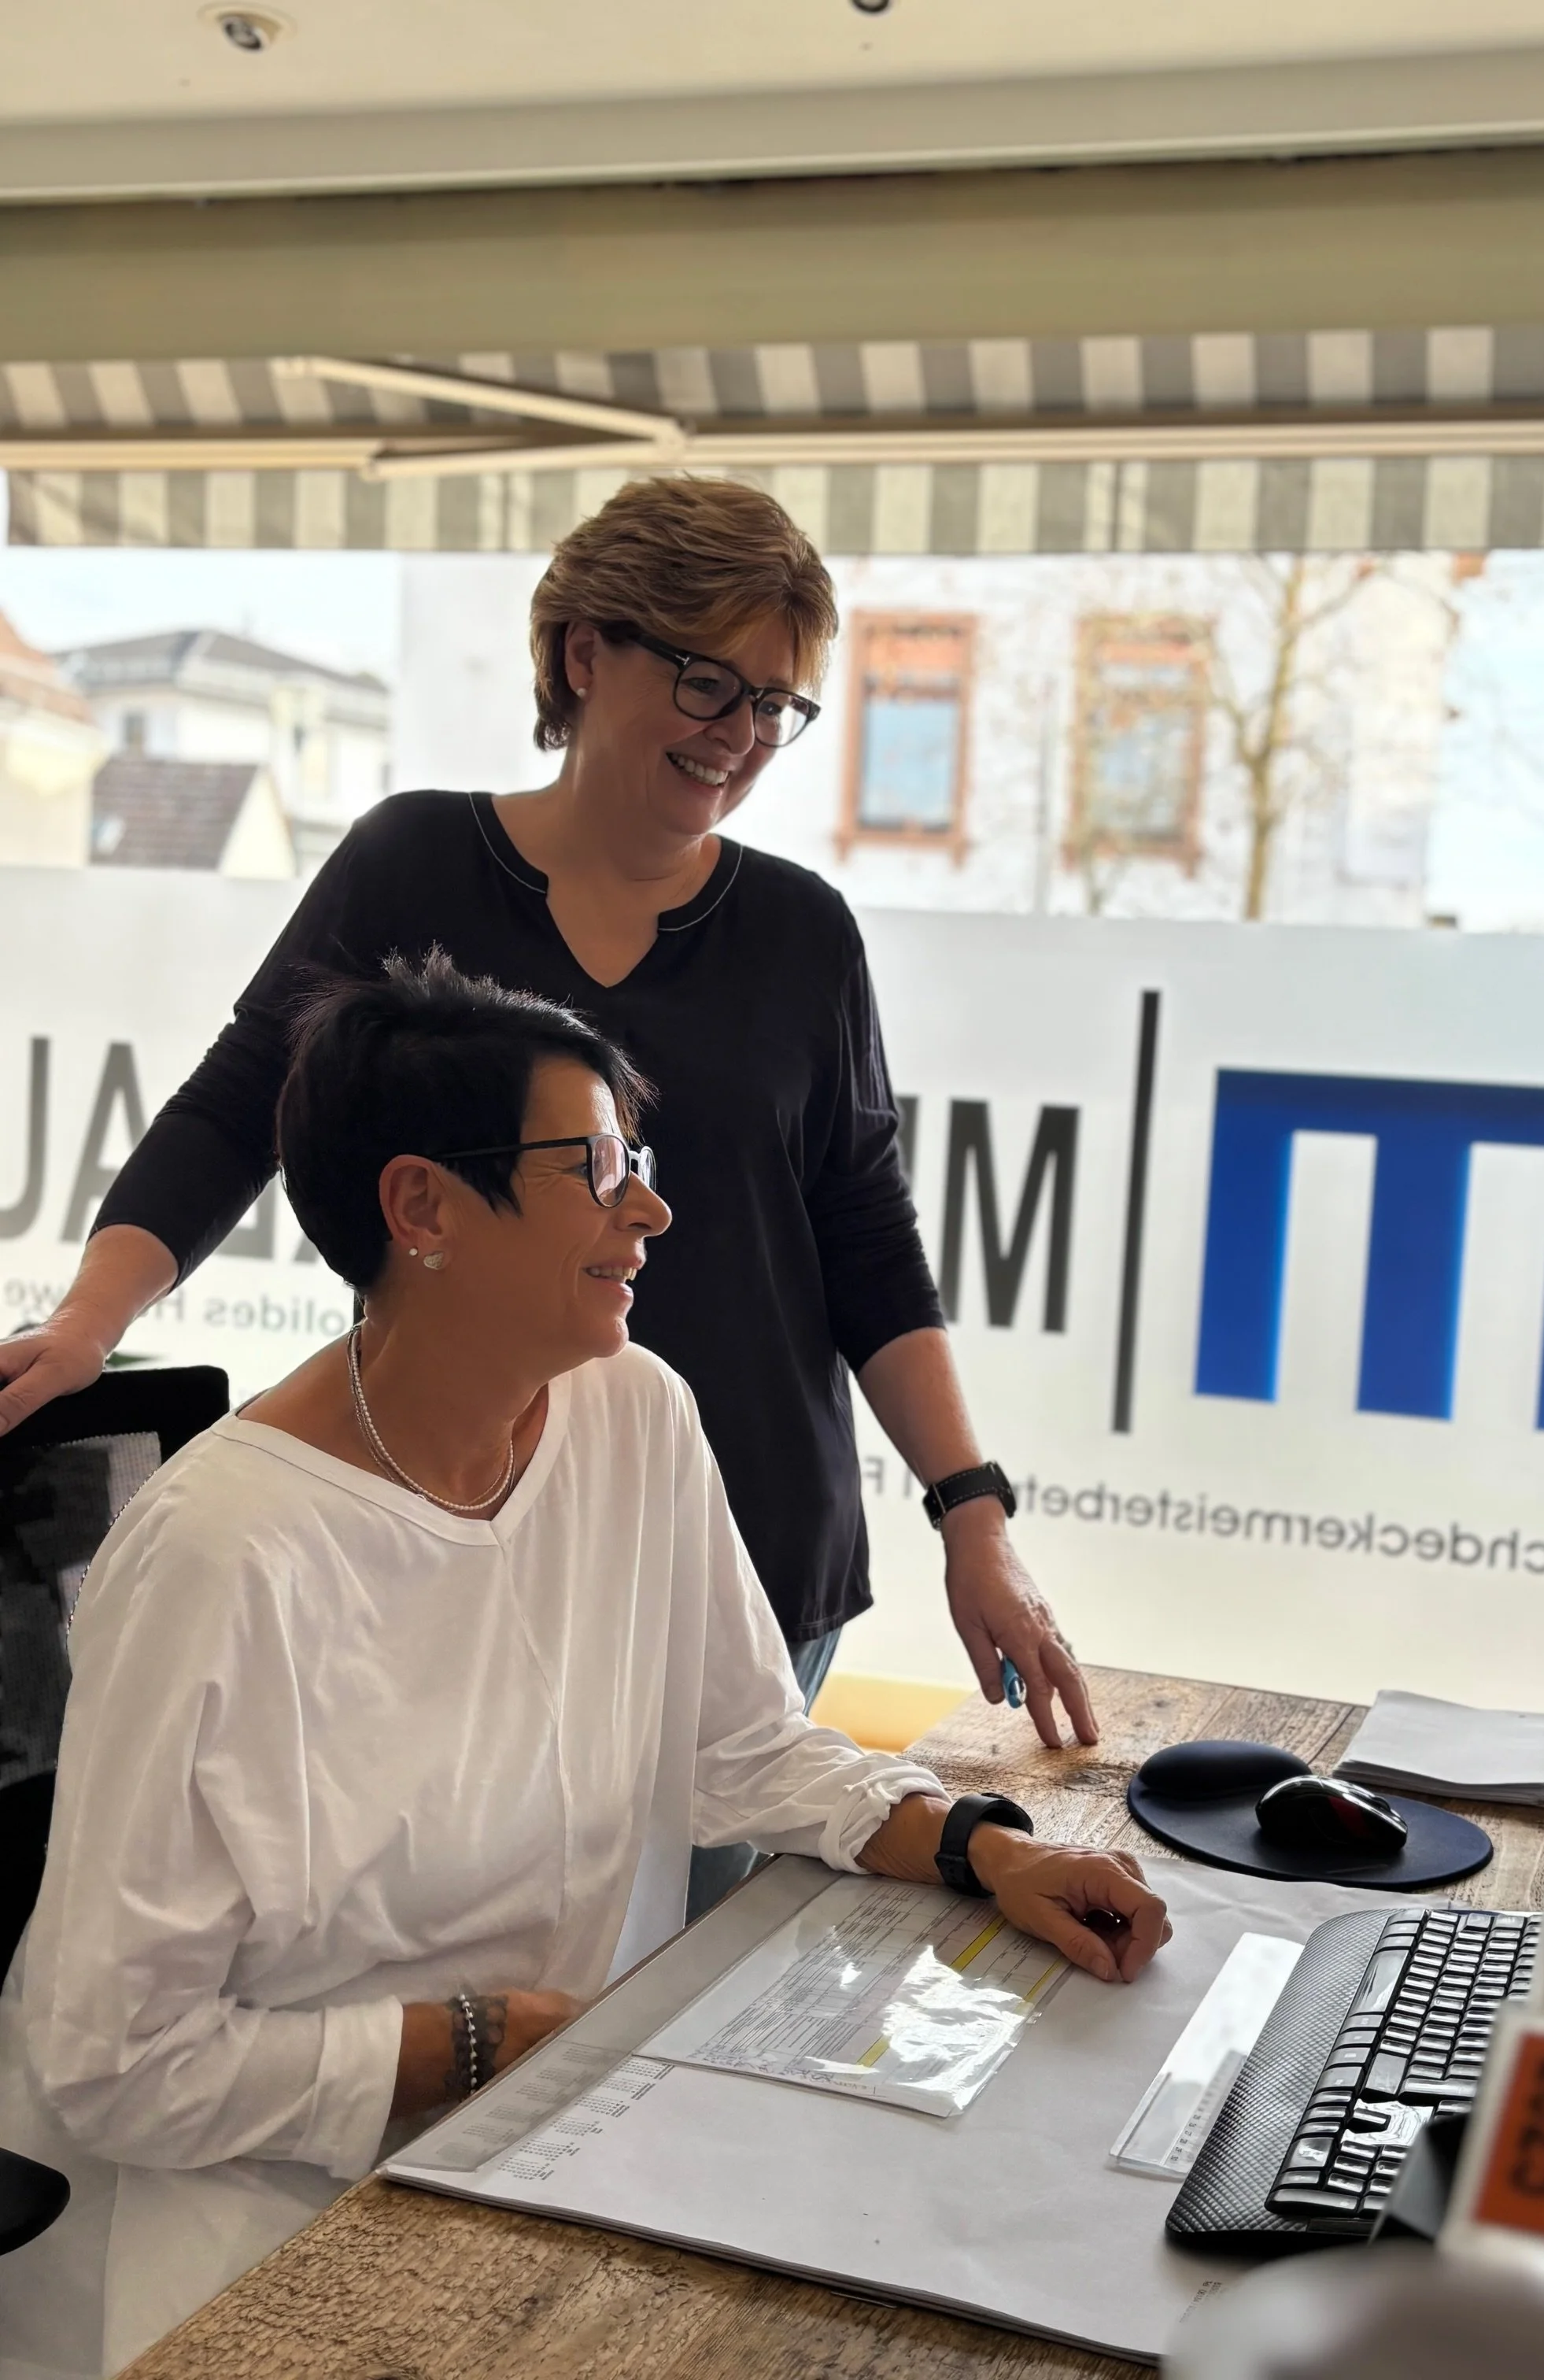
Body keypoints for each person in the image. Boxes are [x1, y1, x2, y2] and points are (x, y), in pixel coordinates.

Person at [6, 957, 1168, 2378]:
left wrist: (984, 1848)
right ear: (421, 1206)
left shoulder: (631, 1413)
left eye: (641, 1158)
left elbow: (743, 1744)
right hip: (286, 2249)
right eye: (598, 1165)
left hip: (572, 2166)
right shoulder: (222, 1557)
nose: (652, 1207)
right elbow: (113, 2061)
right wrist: (483, 2041)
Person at [0, 478, 1098, 1920]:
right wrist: (88, 1322)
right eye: (709, 682)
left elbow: (868, 1239)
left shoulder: (802, 936)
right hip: (471, 1544)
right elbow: (233, 1109)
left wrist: (973, 1514)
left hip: (748, 1547)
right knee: (496, 1972)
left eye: (776, 707)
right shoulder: (414, 863)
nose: (740, 737)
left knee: (694, 2003)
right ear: (585, 654)